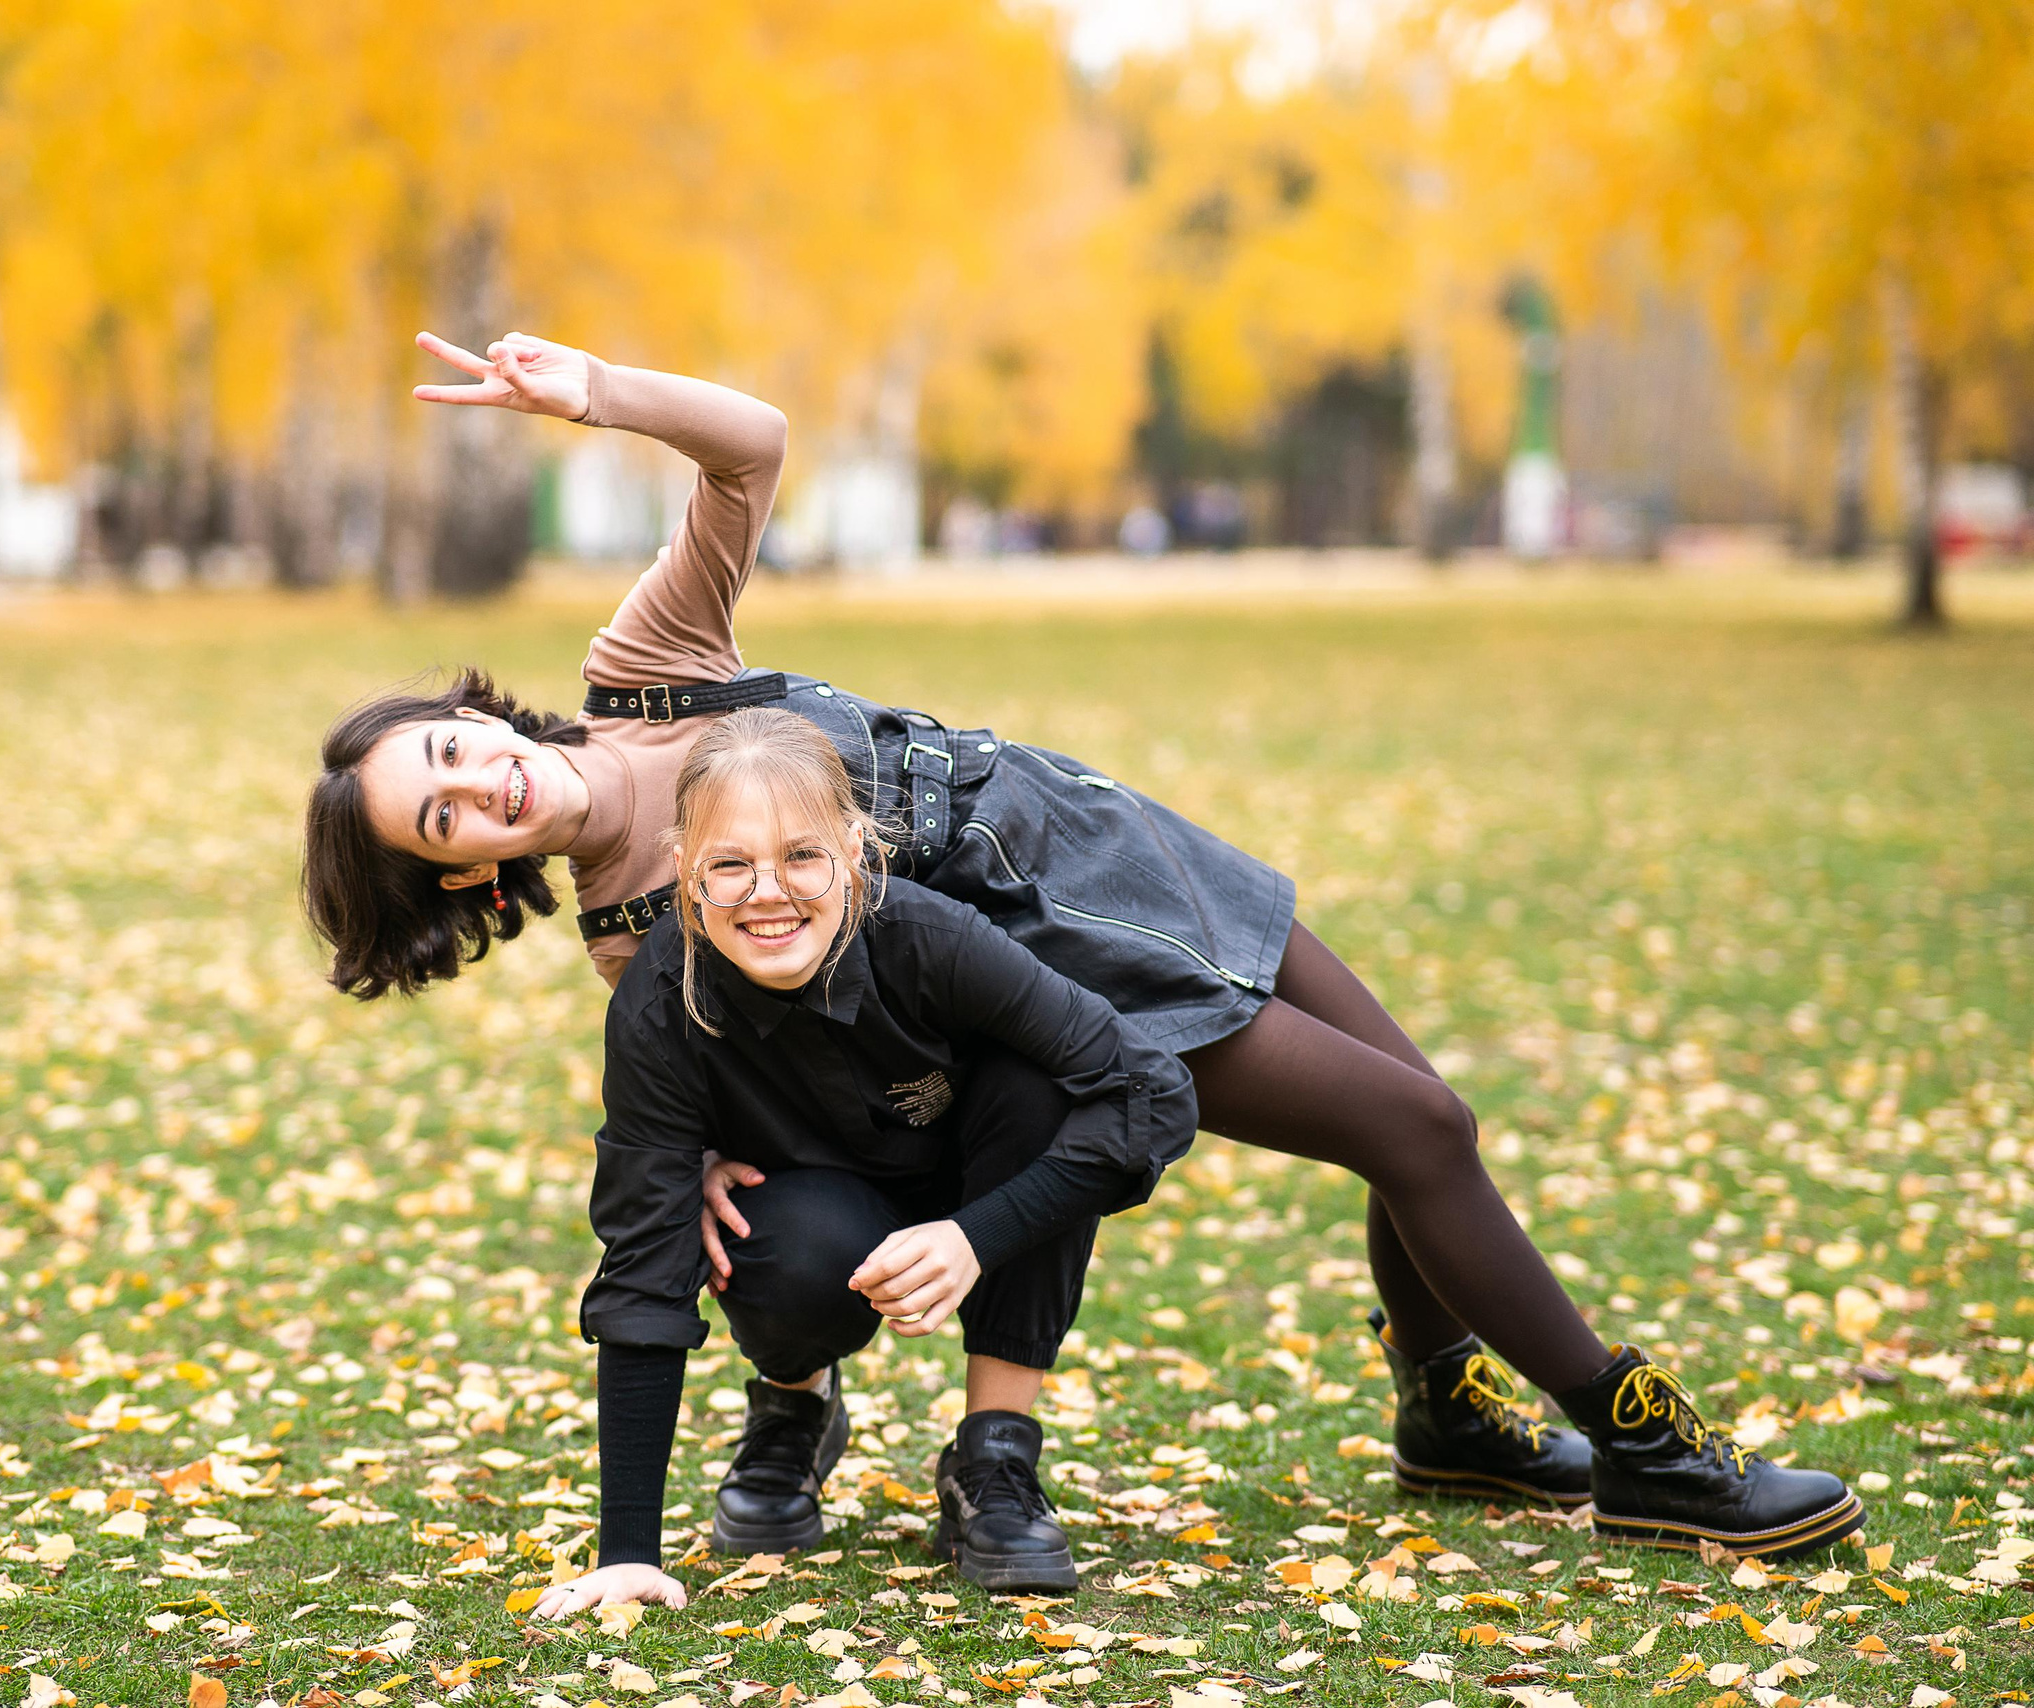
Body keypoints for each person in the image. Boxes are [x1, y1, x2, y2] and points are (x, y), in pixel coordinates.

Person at [303, 330, 1865, 1569]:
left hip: (1107, 843)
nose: (477, 787)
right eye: (444, 825)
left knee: (1417, 1108)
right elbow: (712, 1072)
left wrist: (599, 395)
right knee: (1421, 1130)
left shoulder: (644, 671)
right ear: (472, 876)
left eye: (445, 752)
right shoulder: (639, 935)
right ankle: (1646, 1447)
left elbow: (754, 449)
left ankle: (1447, 1414)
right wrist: (699, 1150)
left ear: (466, 714)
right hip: (1059, 979)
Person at [548, 709, 1198, 1611]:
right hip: (809, 1209)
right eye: (729, 865)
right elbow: (641, 1264)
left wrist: (977, 1235)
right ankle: (793, 1411)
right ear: (687, 873)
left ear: (854, 850)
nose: (766, 893)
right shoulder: (664, 997)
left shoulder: (932, 937)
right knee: (775, 1240)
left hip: (976, 1184)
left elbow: (1151, 1091)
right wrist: (625, 1549)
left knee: (1049, 1097)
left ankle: (995, 1457)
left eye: (801, 857)